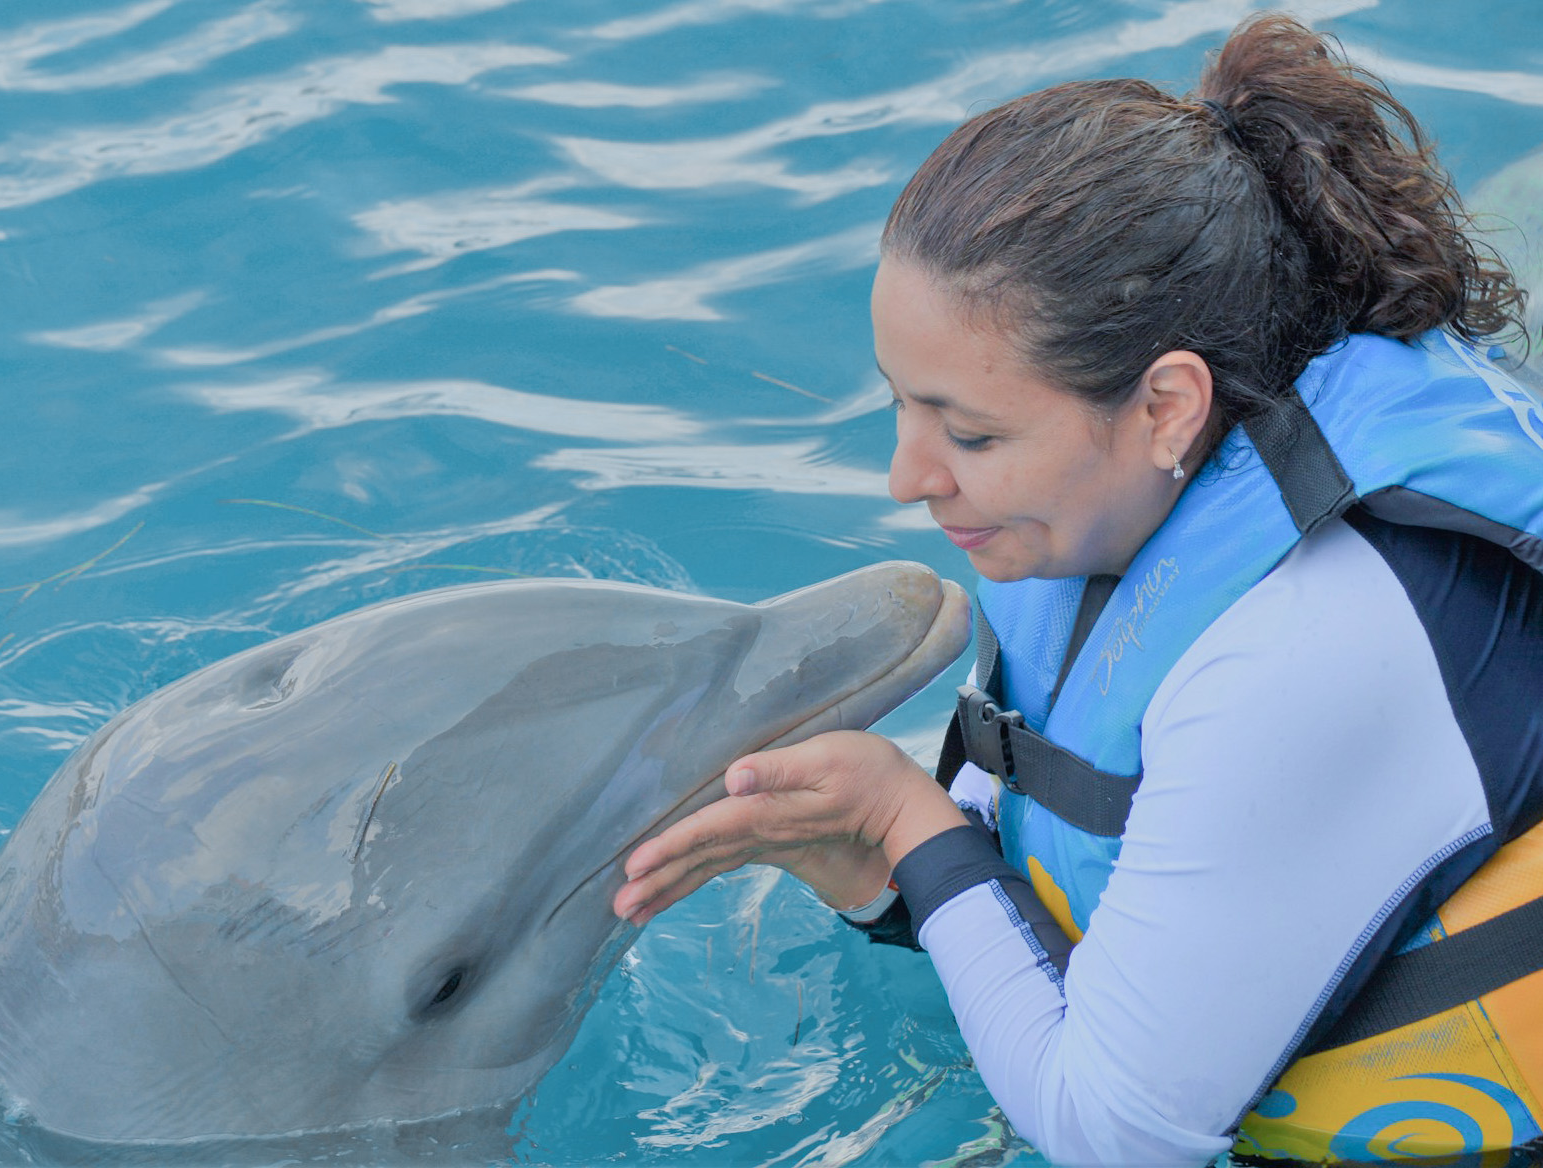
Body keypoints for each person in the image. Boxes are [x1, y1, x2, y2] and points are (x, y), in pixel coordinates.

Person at [613, 13, 1543, 1166]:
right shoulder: (1116, 510)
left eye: (970, 431)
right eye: (900, 404)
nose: (907, 478)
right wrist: (883, 869)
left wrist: (906, 819)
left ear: (1166, 405)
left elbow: (1117, 1133)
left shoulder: (1305, 648)